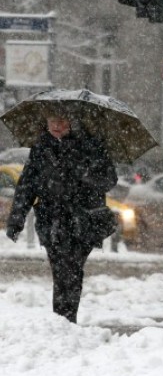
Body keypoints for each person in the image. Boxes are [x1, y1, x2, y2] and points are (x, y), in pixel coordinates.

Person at [6, 106, 118, 323]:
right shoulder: (40, 148)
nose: (56, 126)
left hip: (83, 220)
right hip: (52, 220)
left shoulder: (91, 146)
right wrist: (16, 220)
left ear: (72, 122)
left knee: (72, 268)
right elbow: (26, 187)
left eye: (62, 121)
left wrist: (83, 173)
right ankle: (63, 320)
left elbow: (109, 180)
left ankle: (66, 319)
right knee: (61, 270)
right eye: (52, 122)